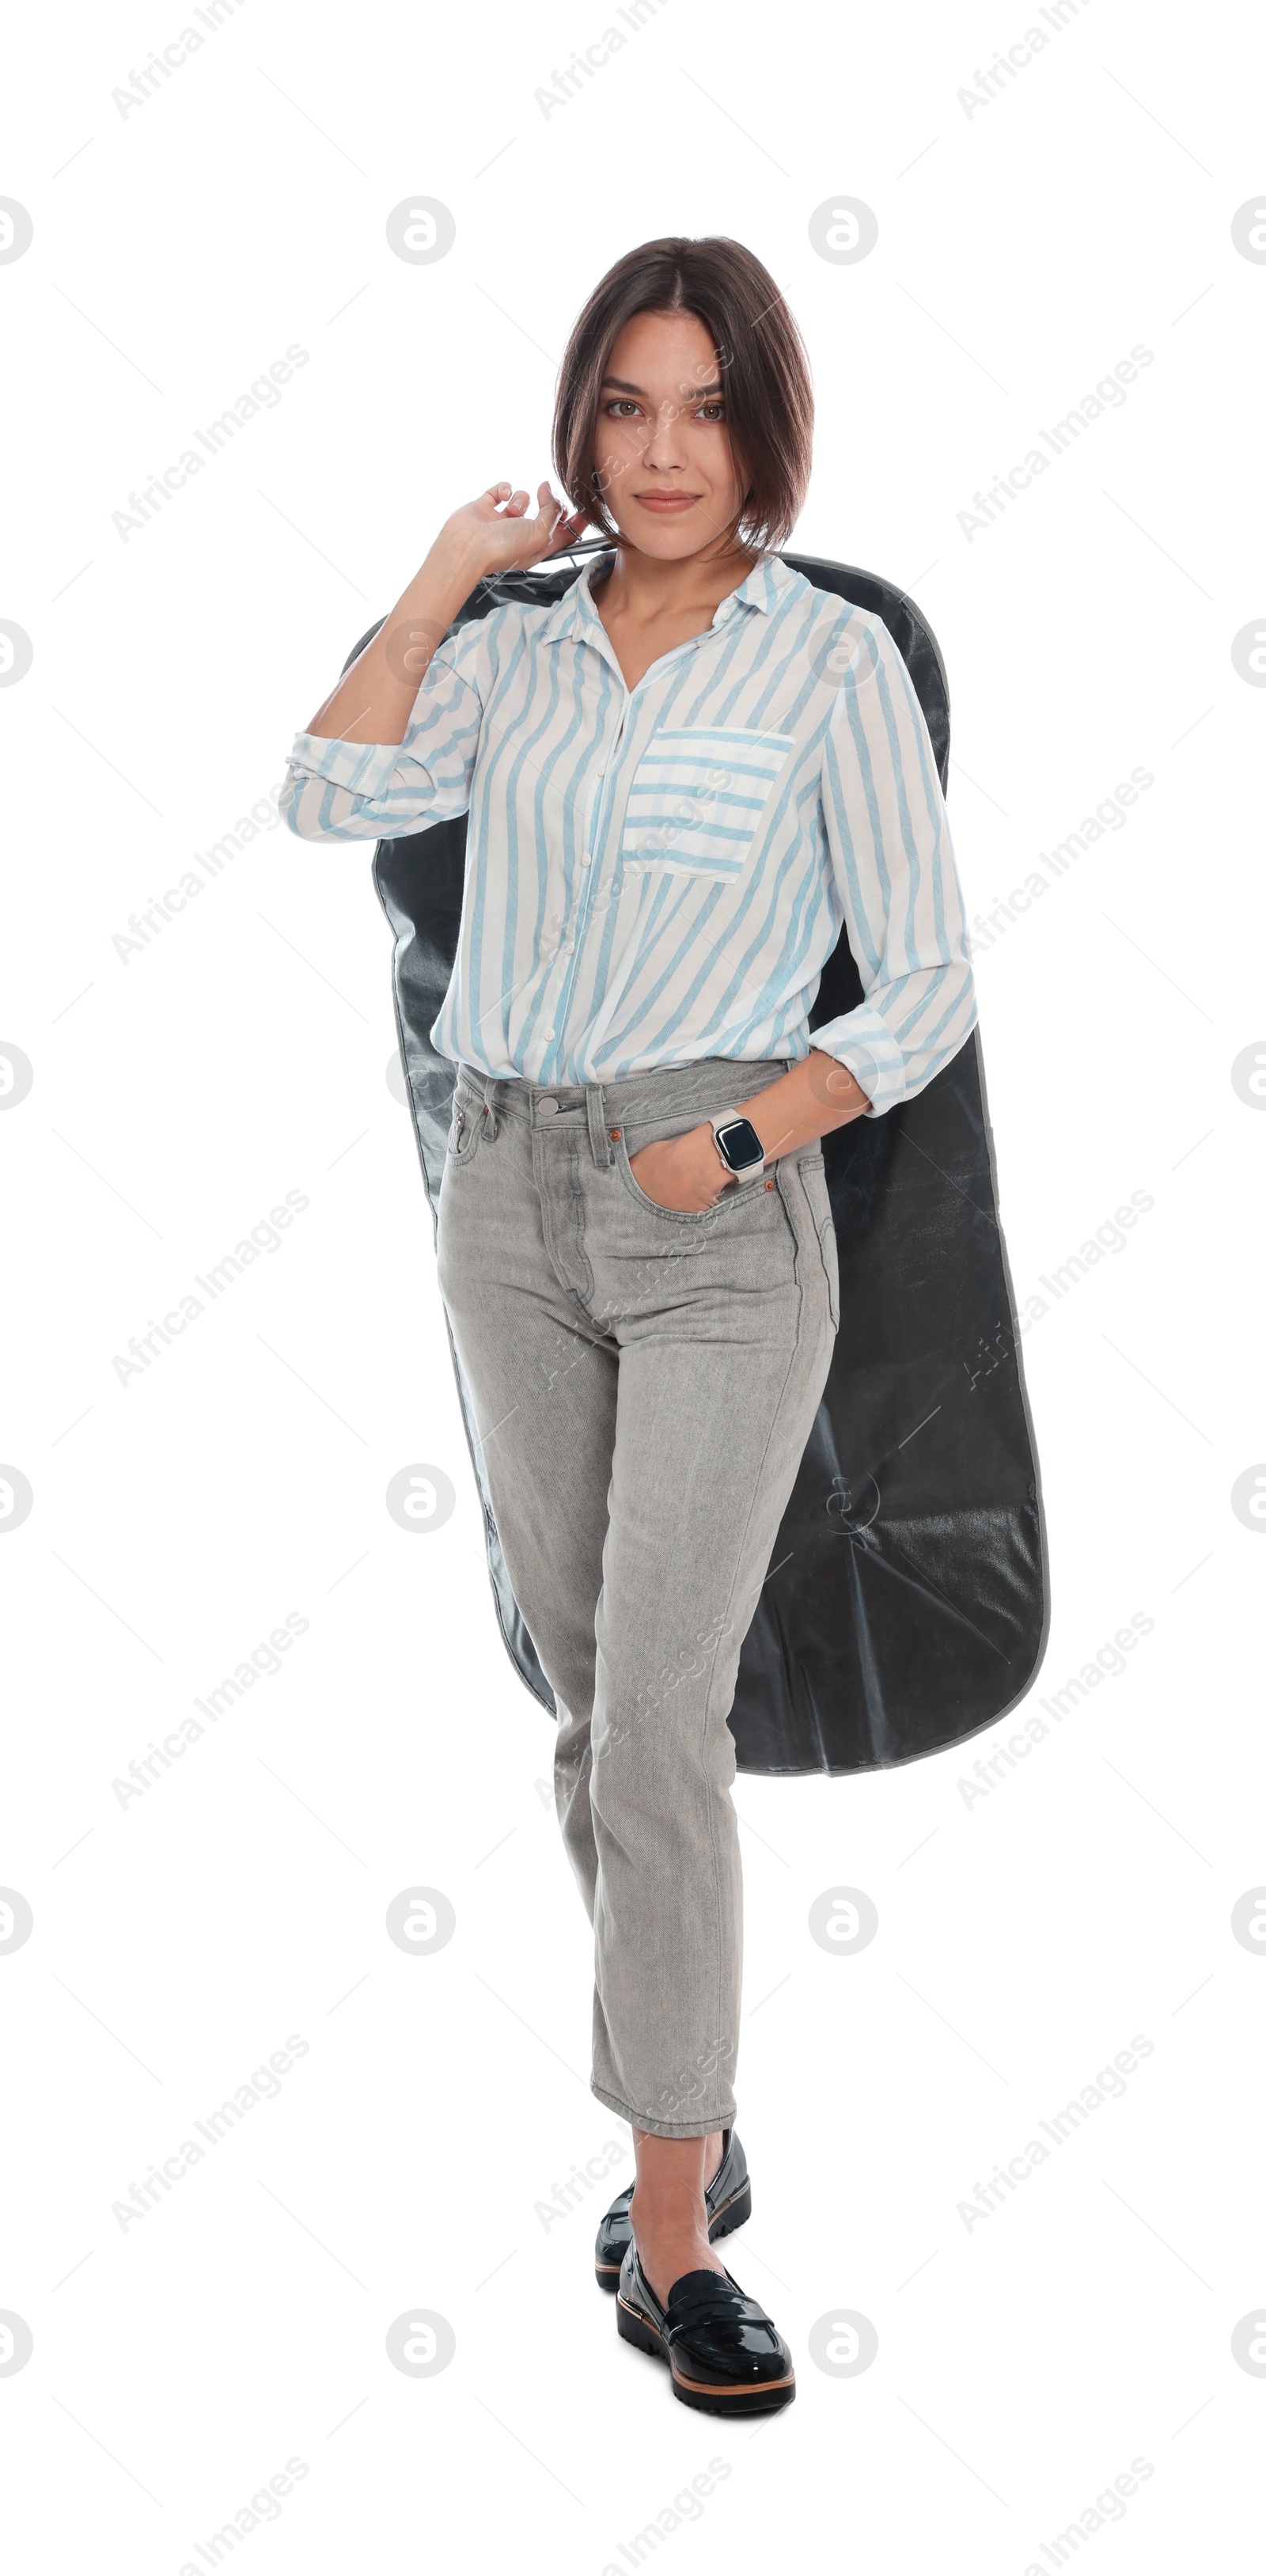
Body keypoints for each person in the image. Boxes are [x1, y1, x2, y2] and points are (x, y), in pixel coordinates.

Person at [281, 234, 976, 2415]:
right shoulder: (513, 655)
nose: (666, 452)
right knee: (590, 1707)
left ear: (763, 428)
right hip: (502, 1193)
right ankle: (698, 2096)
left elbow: (927, 989)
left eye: (706, 409)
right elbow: (329, 799)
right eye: (626, 408)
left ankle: (668, 2235)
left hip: (713, 1211)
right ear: (583, 429)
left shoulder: (830, 661)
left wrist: (738, 1144)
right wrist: (429, 590)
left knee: (660, 1715)